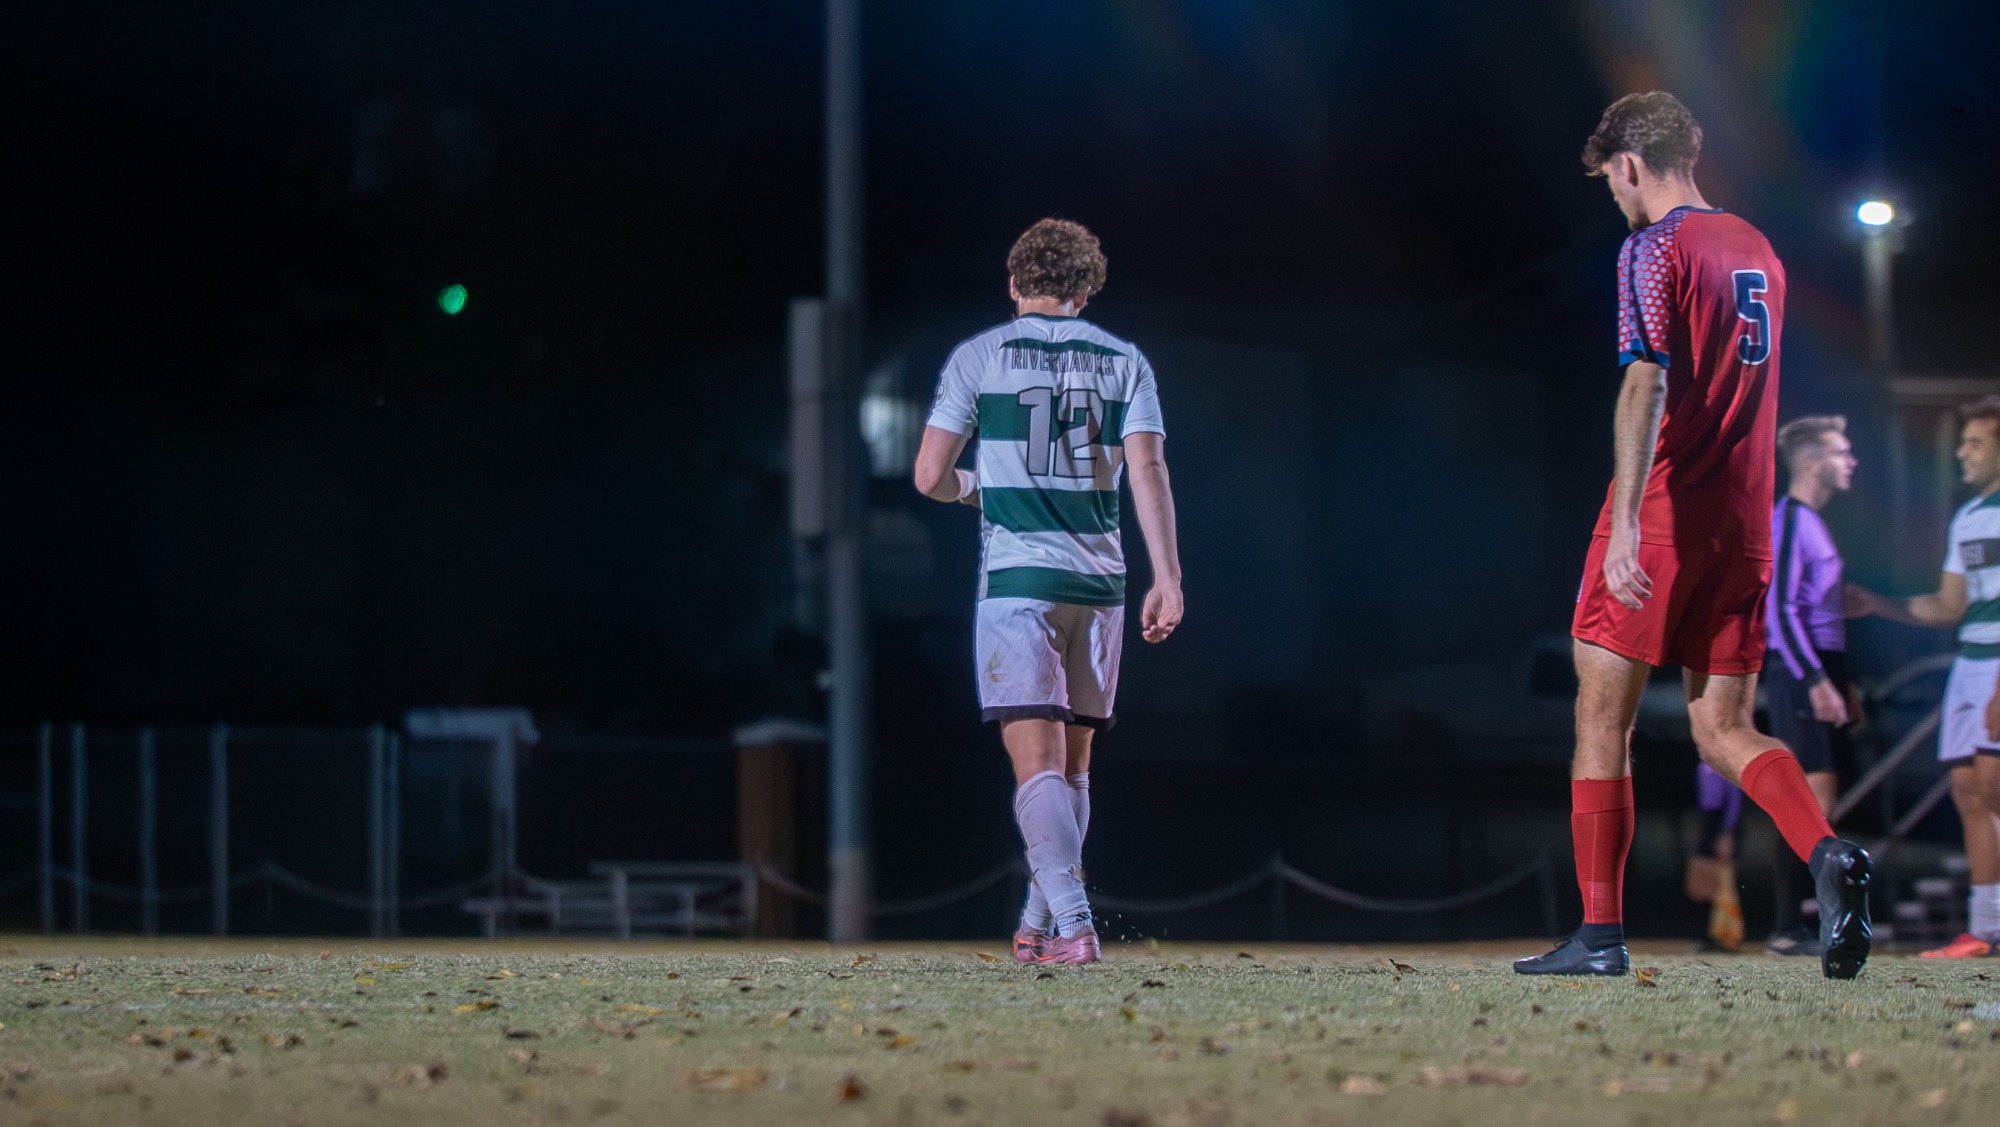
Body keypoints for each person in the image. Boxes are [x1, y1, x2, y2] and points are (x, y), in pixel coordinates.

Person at [1514, 92, 1873, 980]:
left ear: (1630, 164)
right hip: (1746, 524)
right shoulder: (1757, 246)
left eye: (1612, 182)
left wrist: (1628, 523)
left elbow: (1647, 381)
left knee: (1603, 718)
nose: (1616, 199)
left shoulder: (1653, 245)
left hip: (1666, 510)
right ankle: (1829, 852)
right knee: (1725, 727)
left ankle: (1600, 935)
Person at [912, 218, 1184, 966]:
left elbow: (929, 476)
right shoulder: (1125, 360)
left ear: (1013, 284)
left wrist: (981, 488)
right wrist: (1168, 576)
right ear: (1085, 292)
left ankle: (1075, 926)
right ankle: (1038, 925)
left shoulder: (979, 356)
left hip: (1019, 583)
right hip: (1101, 584)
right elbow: (1148, 470)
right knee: (1073, 769)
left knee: (1037, 764)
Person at [1762, 416, 1900, 955]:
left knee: (1826, 800)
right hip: (1802, 671)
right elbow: (1780, 610)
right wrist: (1816, 679)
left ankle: (1808, 919)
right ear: (1810, 461)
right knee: (1810, 799)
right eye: (1841, 452)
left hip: (1826, 667)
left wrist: (1844, 680)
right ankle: (1789, 926)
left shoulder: (1815, 523)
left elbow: (1816, 607)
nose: (1852, 461)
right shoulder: (1790, 519)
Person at [1871, 395, 2000, 958]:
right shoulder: (1967, 517)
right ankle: (1984, 930)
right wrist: (1877, 604)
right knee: (1968, 791)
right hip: (1969, 666)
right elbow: (1950, 606)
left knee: (1994, 788)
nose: (1962, 453)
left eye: (1975, 443)